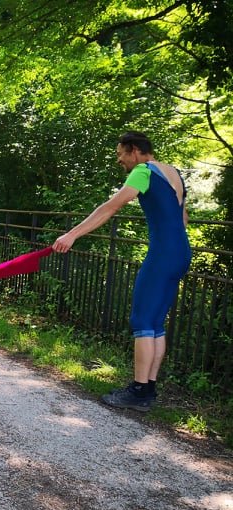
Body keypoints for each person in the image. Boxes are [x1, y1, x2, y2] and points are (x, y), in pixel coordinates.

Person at [52, 131, 191, 412]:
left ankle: (139, 391)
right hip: (181, 252)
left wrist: (72, 235)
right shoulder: (173, 172)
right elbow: (183, 217)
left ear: (135, 150)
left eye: (120, 154)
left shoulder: (143, 170)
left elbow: (110, 207)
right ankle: (148, 389)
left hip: (163, 254)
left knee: (141, 320)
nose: (119, 160)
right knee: (155, 323)